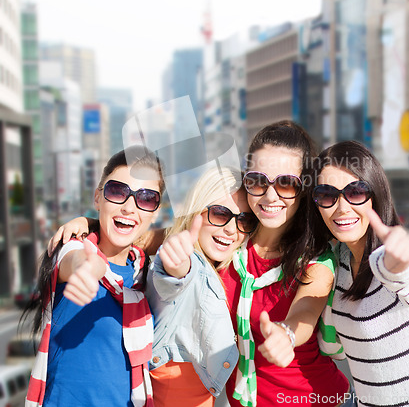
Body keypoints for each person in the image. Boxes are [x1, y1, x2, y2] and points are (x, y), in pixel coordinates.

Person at [310, 140, 409, 406]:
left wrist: (398, 258)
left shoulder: (397, 257)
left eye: (356, 191)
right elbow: (333, 347)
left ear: (376, 193)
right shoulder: (334, 267)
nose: (341, 208)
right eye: (327, 195)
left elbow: (399, 270)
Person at [221, 121, 351, 407]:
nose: (270, 196)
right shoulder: (229, 239)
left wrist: (287, 334)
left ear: (304, 189)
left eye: (286, 183)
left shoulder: (316, 259)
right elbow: (165, 234)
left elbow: (306, 308)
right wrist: (96, 226)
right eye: (257, 181)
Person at [24, 146, 163, 407]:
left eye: (146, 198)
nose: (129, 207)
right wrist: (89, 268)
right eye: (117, 191)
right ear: (98, 197)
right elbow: (75, 259)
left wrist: (89, 221)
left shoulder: (143, 274)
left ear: (155, 211)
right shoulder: (73, 248)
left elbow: (188, 231)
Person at [145, 167, 258, 407]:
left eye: (244, 220)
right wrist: (177, 264)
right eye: (219, 214)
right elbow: (175, 279)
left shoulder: (231, 269)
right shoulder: (191, 263)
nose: (231, 229)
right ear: (196, 210)